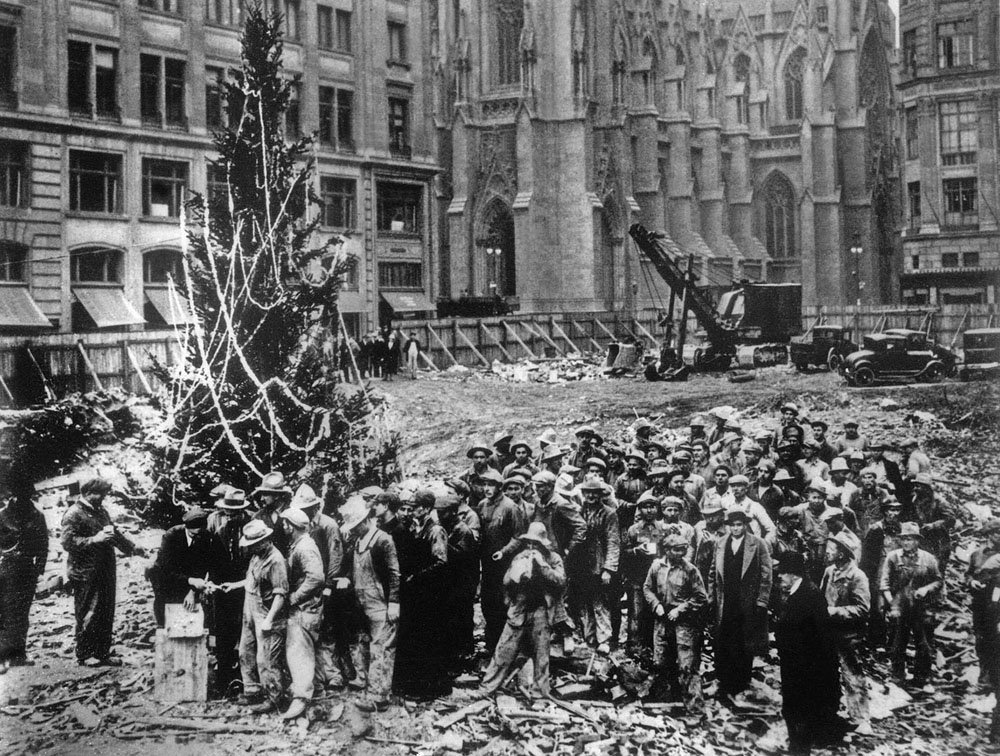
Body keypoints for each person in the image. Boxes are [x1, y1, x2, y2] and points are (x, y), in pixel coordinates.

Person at [61, 476, 143, 667]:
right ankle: (85, 653)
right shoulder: (73, 514)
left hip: (105, 570)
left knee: (106, 611)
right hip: (85, 572)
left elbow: (113, 533)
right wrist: (93, 540)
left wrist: (131, 548)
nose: (102, 498)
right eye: (99, 494)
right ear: (88, 493)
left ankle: (102, 652)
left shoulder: (101, 511)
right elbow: (67, 543)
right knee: (89, 612)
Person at [480, 523, 566, 698]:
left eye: (536, 544)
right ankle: (486, 688)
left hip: (542, 609)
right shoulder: (520, 557)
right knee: (504, 650)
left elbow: (560, 581)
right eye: (529, 543)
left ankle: (539, 694)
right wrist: (517, 574)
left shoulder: (553, 558)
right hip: (520, 607)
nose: (532, 547)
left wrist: (543, 566)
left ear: (544, 544)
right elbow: (506, 583)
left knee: (541, 655)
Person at [774, 552, 845, 755]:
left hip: (804, 662)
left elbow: (816, 633)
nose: (780, 577)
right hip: (797, 660)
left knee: (799, 704)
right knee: (798, 703)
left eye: (783, 573)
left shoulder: (808, 595)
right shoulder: (800, 591)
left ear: (794, 575)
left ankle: (799, 747)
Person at [288, 484, 352, 691]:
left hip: (325, 584)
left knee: (328, 630)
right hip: (311, 585)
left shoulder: (327, 525)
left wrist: (329, 586)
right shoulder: (304, 527)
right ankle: (318, 677)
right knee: (313, 631)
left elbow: (336, 557)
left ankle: (334, 675)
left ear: (314, 508)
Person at [340, 497, 400, 712]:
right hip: (362, 601)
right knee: (364, 643)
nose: (354, 531)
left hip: (381, 603)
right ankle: (366, 681)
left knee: (381, 648)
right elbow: (354, 569)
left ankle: (379, 697)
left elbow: (394, 573)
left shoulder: (383, 540)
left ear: (365, 521)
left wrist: (394, 602)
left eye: (356, 527)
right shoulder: (358, 542)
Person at [707, 509, 772, 703]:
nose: (736, 528)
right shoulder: (720, 543)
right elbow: (712, 572)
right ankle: (722, 680)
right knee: (723, 639)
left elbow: (766, 575)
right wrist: (712, 597)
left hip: (747, 603)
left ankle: (741, 682)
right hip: (725, 601)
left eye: (739, 525)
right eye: (733, 525)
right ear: (728, 526)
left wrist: (761, 600)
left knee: (744, 641)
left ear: (745, 525)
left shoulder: (758, 544)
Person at [395, 490, 450, 699]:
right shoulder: (416, 528)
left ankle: (432, 688)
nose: (412, 510)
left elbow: (440, 562)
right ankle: (419, 684)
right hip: (419, 592)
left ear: (426, 509)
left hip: (431, 592)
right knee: (418, 638)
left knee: (430, 638)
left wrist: (416, 577)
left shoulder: (435, 531)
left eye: (416, 506)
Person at [644, 533, 708, 711]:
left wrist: (680, 609)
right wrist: (655, 604)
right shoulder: (657, 566)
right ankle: (665, 702)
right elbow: (647, 588)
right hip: (662, 619)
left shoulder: (690, 570)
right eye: (677, 550)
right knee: (661, 661)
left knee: (687, 664)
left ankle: (695, 707)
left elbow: (701, 597)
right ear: (667, 550)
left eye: (684, 549)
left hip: (684, 623)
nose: (681, 553)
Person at [821, 532, 873, 736]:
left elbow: (863, 609)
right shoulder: (829, 571)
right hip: (828, 631)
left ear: (842, 554)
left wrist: (835, 612)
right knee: (827, 673)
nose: (827, 552)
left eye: (832, 549)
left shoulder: (857, 576)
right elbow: (821, 596)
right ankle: (829, 713)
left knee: (852, 675)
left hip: (849, 635)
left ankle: (861, 718)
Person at [880, 521, 942, 688]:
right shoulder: (893, 557)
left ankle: (922, 678)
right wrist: (892, 604)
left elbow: (938, 581)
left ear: (917, 541)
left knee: (924, 643)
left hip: (921, 607)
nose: (906, 542)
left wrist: (926, 589)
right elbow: (884, 584)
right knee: (897, 642)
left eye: (911, 539)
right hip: (900, 606)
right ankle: (898, 675)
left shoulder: (928, 559)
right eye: (904, 539)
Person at [237, 519, 289, 714]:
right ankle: (252, 690)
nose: (253, 548)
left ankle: (274, 698)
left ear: (265, 541)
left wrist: (269, 620)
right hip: (249, 608)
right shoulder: (256, 556)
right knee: (245, 650)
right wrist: (234, 586)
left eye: (256, 544)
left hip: (266, 612)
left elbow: (280, 593)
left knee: (266, 658)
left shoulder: (276, 560)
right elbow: (252, 580)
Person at [206, 487, 253, 696]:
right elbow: (213, 560)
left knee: (247, 632)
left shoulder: (253, 527)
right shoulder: (220, 530)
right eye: (227, 512)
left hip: (248, 586)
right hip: (223, 588)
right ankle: (224, 680)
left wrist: (242, 583)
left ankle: (247, 679)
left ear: (242, 511)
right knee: (223, 633)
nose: (230, 516)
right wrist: (212, 584)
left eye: (234, 513)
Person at [279, 507, 325, 720]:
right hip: (306, 608)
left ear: (292, 526)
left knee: (299, 653)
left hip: (305, 609)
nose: (284, 527)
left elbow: (316, 578)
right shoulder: (299, 545)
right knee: (306, 651)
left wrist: (294, 598)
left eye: (286, 524)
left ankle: (301, 698)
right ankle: (315, 691)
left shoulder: (305, 547)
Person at [0, 479, 48, 669]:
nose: (23, 498)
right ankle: (2, 657)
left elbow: (44, 544)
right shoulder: (2, 515)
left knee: (21, 615)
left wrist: (39, 569)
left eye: (27, 495)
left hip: (27, 571)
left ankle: (19, 654)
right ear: (12, 495)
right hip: (4, 571)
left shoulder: (37, 515)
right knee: (4, 613)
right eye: (19, 495)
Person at [148, 507, 222, 628]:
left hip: (191, 577)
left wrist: (193, 591)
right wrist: (190, 581)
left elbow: (204, 567)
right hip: (165, 578)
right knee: (167, 609)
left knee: (190, 612)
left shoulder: (206, 537)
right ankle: (163, 626)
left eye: (199, 533)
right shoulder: (171, 536)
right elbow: (166, 569)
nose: (196, 537)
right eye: (193, 534)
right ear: (187, 528)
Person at [570, 477, 620, 653]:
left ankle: (604, 639)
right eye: (588, 492)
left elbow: (613, 542)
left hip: (599, 564)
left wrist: (608, 569)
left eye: (594, 493)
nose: (591, 496)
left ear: (600, 494)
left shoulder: (609, 513)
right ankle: (589, 637)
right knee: (583, 602)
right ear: (583, 494)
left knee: (601, 602)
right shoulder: (578, 512)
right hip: (581, 564)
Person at [480, 469, 528, 653]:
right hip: (487, 564)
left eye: (490, 485)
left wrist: (503, 551)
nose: (486, 488)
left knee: (504, 603)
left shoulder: (510, 507)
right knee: (487, 603)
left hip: (505, 564)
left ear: (499, 487)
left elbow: (519, 537)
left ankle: (506, 646)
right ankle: (491, 643)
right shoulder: (483, 505)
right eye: (484, 484)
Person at [437, 491, 480, 670]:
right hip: (453, 582)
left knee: (462, 618)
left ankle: (465, 655)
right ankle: (455, 655)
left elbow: (461, 557)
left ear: (453, 512)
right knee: (452, 619)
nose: (440, 516)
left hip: (464, 582)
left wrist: (442, 545)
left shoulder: (462, 530)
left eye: (443, 512)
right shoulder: (447, 527)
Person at [622, 492, 668, 656]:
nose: (649, 510)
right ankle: (634, 649)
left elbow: (669, 549)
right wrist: (636, 551)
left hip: (658, 579)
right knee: (636, 613)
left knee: (655, 612)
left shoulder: (663, 528)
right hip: (638, 577)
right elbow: (624, 552)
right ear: (640, 510)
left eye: (652, 506)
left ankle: (654, 649)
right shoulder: (633, 530)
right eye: (645, 507)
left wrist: (662, 557)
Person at [860, 498, 904, 650]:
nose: (894, 513)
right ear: (885, 511)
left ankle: (893, 642)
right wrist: (868, 576)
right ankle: (876, 640)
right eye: (891, 510)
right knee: (878, 607)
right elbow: (866, 555)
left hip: (897, 570)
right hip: (879, 570)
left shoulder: (901, 529)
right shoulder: (876, 529)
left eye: (897, 510)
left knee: (896, 605)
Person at [969, 519, 1000, 691]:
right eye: (997, 533)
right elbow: (968, 574)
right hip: (981, 603)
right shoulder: (977, 554)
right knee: (981, 639)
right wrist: (971, 582)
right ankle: (984, 675)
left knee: (996, 639)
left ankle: (995, 678)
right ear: (989, 535)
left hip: (998, 603)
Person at [252, 472, 293, 557]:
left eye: (265, 494)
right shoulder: (258, 517)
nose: (262, 498)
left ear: (277, 495)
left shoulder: (293, 515)